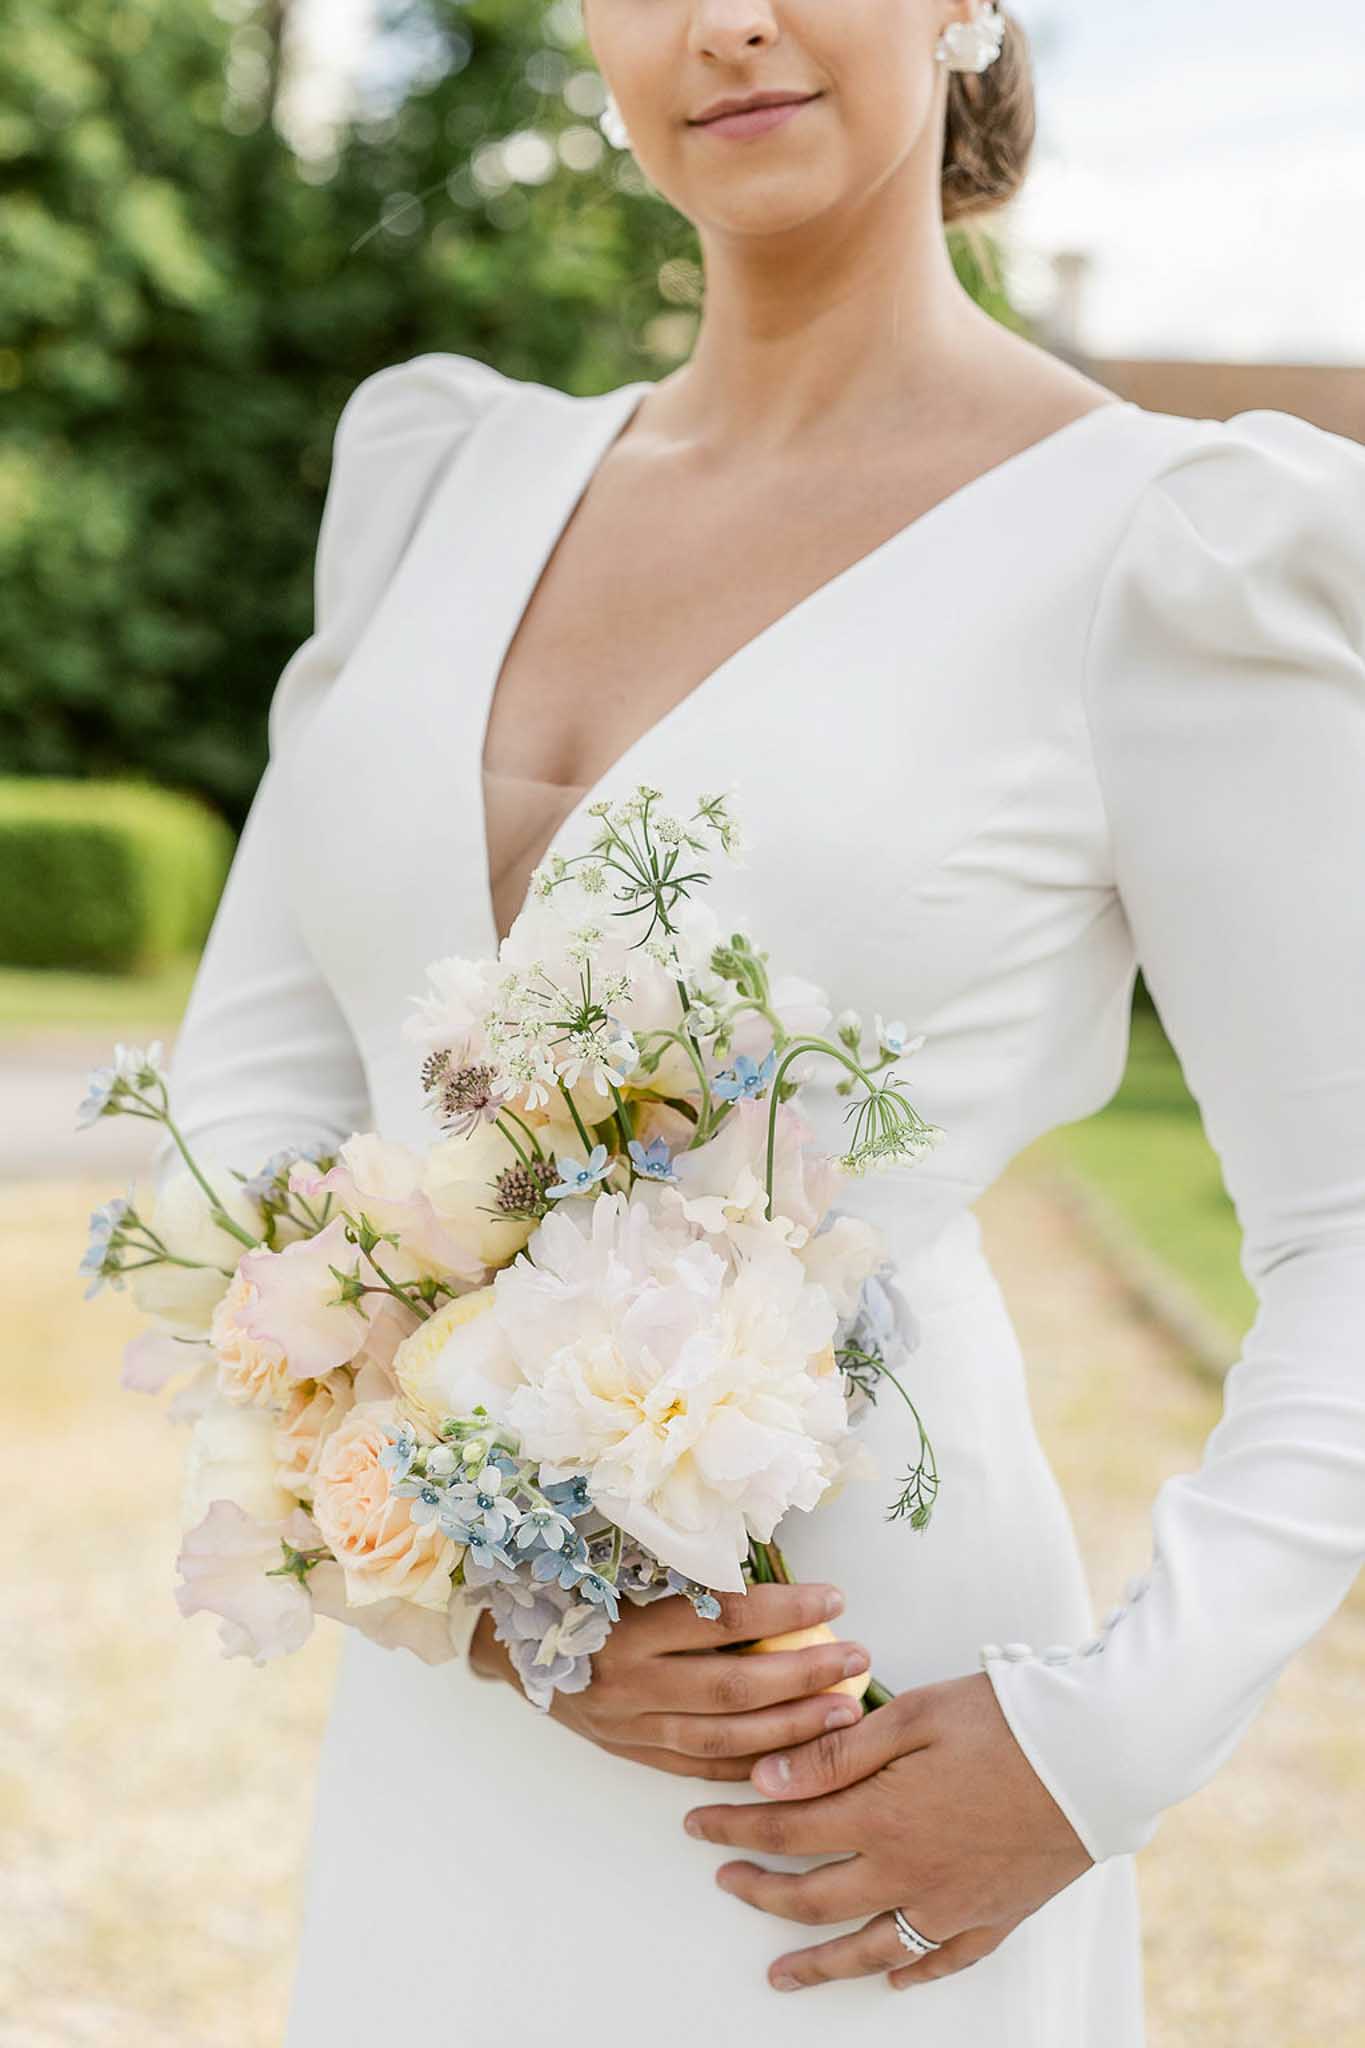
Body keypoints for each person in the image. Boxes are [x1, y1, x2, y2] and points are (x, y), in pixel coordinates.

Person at [160, 3, 1365, 2041]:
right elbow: (249, 1094)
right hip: (449, 1735)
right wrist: (461, 1589)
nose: (723, 23)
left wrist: (1097, 1751)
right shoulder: (445, 476)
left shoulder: (1163, 545)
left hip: (854, 1756)